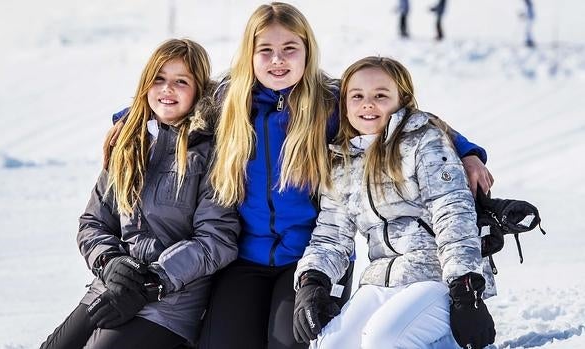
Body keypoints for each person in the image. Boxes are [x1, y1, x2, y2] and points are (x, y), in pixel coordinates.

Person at [102, 4, 493, 348]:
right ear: (249, 55)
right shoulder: (227, 101)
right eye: (265, 51)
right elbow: (175, 103)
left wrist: (467, 151)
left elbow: (401, 118)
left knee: (292, 340)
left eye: (290, 49)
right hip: (243, 258)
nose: (278, 60)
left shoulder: (329, 101)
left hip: (309, 260)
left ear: (307, 51)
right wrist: (128, 120)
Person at [39, 38, 240, 349]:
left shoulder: (211, 152)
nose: (167, 89)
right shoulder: (129, 143)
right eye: (158, 79)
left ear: (199, 90)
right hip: (113, 286)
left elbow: (216, 240)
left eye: (180, 81)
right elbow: (93, 222)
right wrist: (111, 263)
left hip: (170, 301)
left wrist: (153, 281)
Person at [292, 56, 496, 349]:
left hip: (438, 278)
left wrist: (466, 288)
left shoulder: (424, 142)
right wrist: (313, 281)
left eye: (380, 95)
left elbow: (453, 212)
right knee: (330, 344)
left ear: (402, 100)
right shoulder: (343, 162)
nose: (367, 104)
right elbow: (331, 235)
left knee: (383, 339)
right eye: (357, 96)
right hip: (381, 279)